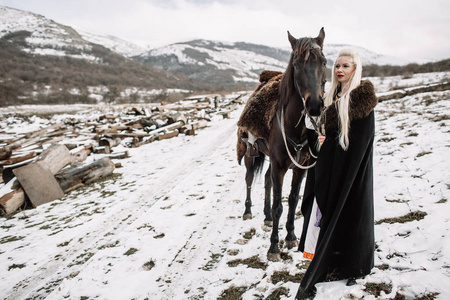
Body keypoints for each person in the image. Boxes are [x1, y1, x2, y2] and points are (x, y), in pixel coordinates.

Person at [296, 48, 378, 299]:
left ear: (355, 68)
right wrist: (323, 138)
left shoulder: (360, 101)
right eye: (338, 66)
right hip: (331, 166)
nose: (340, 70)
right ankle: (331, 259)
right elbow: (328, 130)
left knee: (349, 213)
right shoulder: (334, 94)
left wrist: (329, 142)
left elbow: (359, 142)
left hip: (349, 171)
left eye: (346, 66)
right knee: (327, 213)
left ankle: (351, 264)